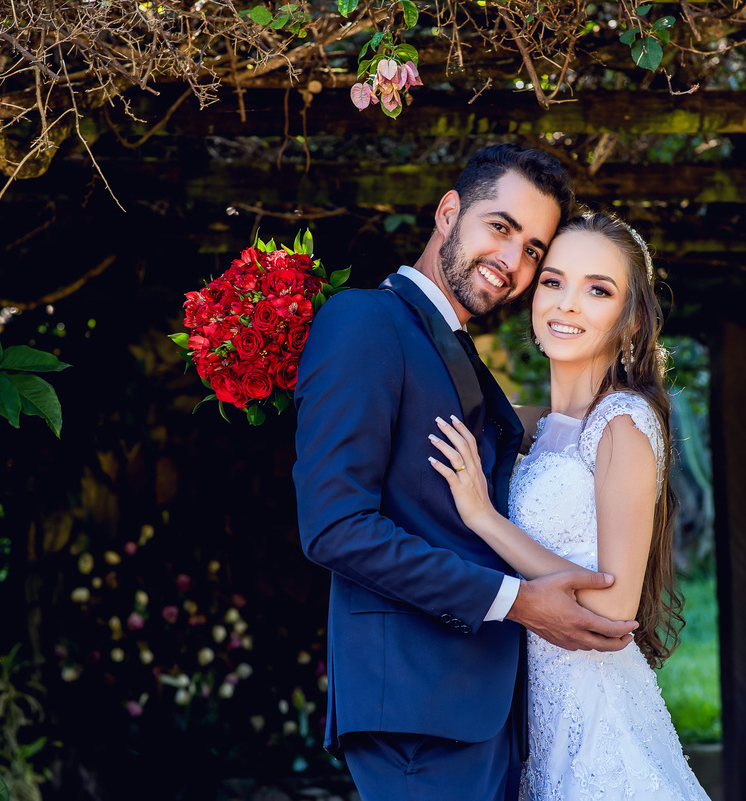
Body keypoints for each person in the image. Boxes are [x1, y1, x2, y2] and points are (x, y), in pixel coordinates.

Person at [292, 146, 639, 801]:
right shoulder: (366, 321)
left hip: (482, 711)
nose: (513, 261)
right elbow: (334, 525)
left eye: (534, 248)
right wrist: (514, 600)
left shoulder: (447, 347)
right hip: (419, 711)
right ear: (449, 212)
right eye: (501, 227)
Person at [428, 211, 711, 800]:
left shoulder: (623, 425)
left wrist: (485, 517)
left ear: (631, 319)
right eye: (554, 282)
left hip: (599, 722)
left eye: (598, 290)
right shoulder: (529, 428)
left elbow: (611, 608)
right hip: (532, 726)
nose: (568, 305)